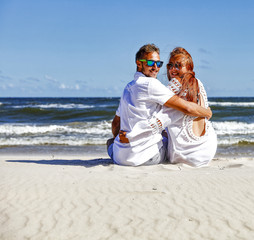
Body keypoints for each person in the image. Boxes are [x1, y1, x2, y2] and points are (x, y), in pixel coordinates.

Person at [107, 44, 212, 166]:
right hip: (147, 157)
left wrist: (124, 140)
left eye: (159, 64)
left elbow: (115, 124)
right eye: (151, 63)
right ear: (139, 63)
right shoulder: (151, 84)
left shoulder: (128, 88)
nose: (156, 67)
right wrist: (207, 112)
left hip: (120, 158)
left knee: (110, 142)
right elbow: (185, 108)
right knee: (165, 139)